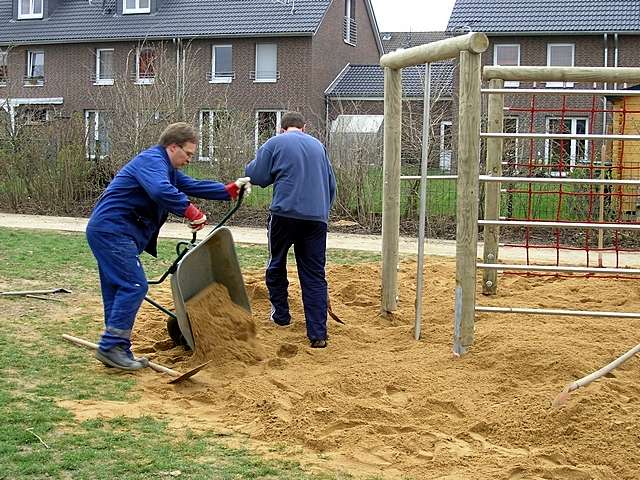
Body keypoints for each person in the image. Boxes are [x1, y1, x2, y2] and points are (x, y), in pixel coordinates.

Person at [86, 122, 250, 371]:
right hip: (113, 231)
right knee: (134, 285)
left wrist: (228, 190)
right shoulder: (151, 161)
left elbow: (192, 185)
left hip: (111, 230)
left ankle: (117, 349)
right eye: (188, 154)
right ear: (173, 147)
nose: (189, 160)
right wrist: (191, 212)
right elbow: (160, 191)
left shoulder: (165, 168)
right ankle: (111, 347)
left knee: (118, 288)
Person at [245, 111, 336, 348]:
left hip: (284, 215)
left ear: (282, 128)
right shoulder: (319, 147)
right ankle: (318, 335)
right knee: (315, 274)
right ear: (304, 127)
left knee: (276, 263)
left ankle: (281, 317)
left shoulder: (275, 143)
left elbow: (257, 175)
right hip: (316, 218)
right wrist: (321, 211)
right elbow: (331, 185)